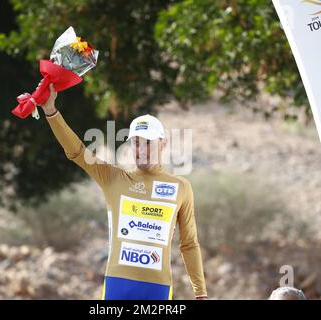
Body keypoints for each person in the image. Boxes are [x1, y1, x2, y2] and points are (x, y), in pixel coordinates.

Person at [41, 83, 208, 300]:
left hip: (157, 289)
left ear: (163, 144)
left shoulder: (180, 188)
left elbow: (189, 244)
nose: (141, 150)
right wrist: (50, 111)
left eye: (148, 143)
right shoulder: (114, 178)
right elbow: (77, 151)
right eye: (136, 143)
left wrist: (201, 293)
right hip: (117, 286)